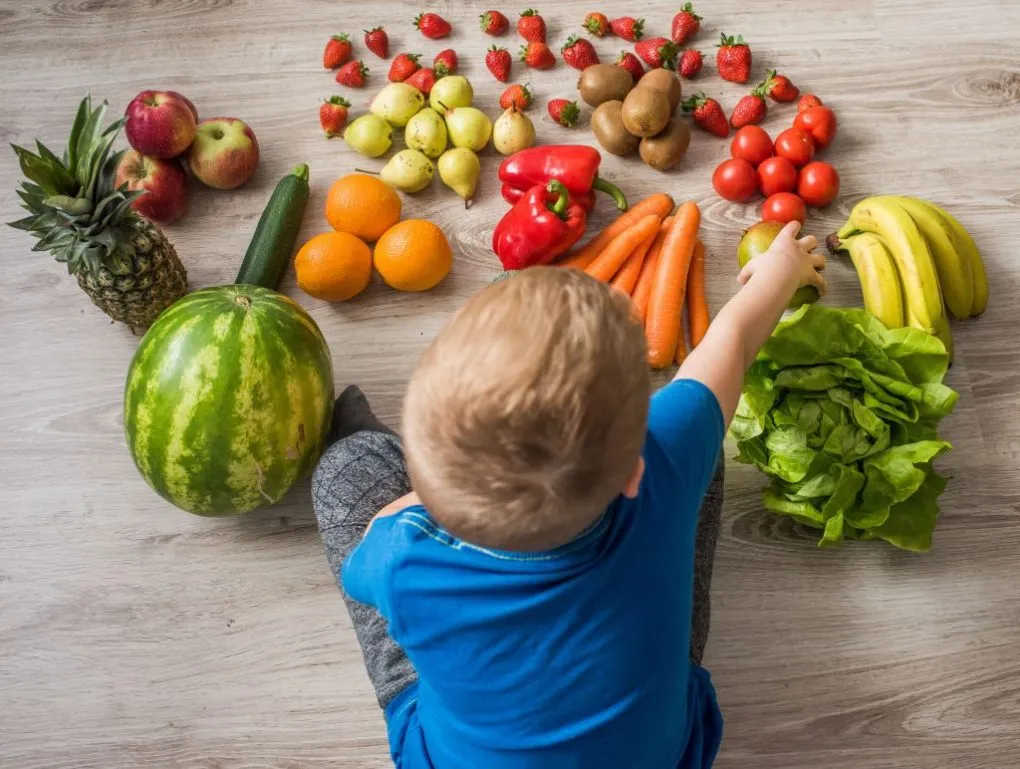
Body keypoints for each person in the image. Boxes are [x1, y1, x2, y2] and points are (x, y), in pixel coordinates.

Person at [312, 221, 825, 768]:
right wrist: (780, 271)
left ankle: (385, 447)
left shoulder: (404, 557)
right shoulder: (662, 462)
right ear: (632, 471)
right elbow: (734, 342)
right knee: (699, 445)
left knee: (346, 466)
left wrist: (424, 506)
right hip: (667, 752)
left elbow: (363, 567)